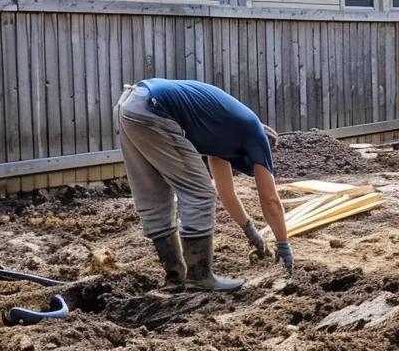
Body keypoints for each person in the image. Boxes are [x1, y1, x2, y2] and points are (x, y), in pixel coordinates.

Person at [115, 78, 292, 292]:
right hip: (154, 109)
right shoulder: (254, 133)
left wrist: (251, 231)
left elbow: (226, 193)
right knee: (199, 192)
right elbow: (270, 200)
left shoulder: (223, 132)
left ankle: (175, 276)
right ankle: (199, 276)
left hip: (131, 105)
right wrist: (284, 247)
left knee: (153, 193)